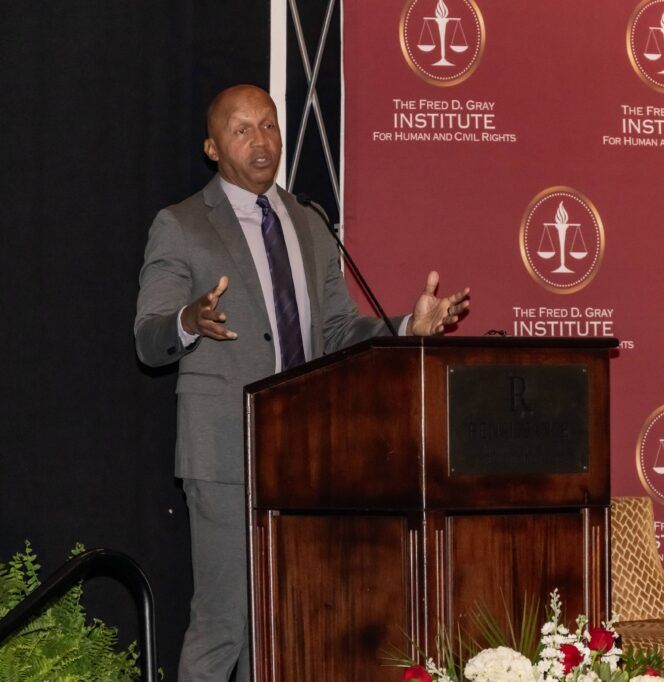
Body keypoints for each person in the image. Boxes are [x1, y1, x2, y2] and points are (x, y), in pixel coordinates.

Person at [134, 84, 469, 681]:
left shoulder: (309, 220)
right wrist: (189, 320)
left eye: (269, 126)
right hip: (226, 456)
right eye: (242, 130)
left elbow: (336, 329)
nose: (260, 141)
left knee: (293, 621)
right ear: (212, 147)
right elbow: (148, 337)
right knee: (225, 623)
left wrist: (405, 326)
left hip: (311, 452)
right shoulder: (181, 224)